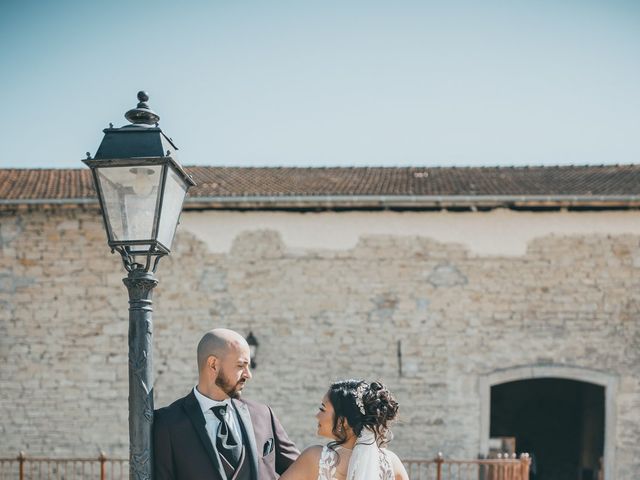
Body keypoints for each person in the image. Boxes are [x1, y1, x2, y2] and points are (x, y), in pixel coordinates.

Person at [153, 328, 300, 480]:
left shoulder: (263, 415)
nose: (248, 375)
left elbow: (304, 469)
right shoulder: (167, 423)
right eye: (240, 366)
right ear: (213, 365)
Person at [280, 379, 409, 480]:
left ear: (343, 421)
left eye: (322, 409)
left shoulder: (315, 459)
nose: (317, 415)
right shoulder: (392, 464)